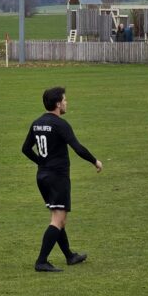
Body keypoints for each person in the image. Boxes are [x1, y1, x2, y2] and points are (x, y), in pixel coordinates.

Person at [22, 87, 103, 272]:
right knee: (57, 220)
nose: (66, 103)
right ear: (58, 104)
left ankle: (69, 256)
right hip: (57, 177)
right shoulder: (60, 124)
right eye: (65, 100)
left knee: (59, 218)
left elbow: (25, 149)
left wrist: (41, 162)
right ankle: (41, 261)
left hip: (42, 176)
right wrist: (95, 161)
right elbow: (77, 147)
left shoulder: (37, 123)